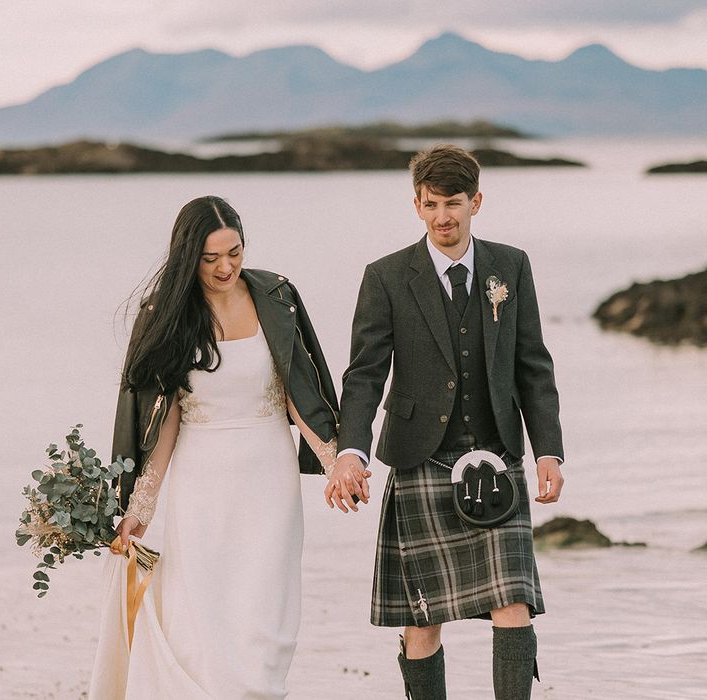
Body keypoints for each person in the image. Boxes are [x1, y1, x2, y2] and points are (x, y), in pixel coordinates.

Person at [325, 145, 565, 699]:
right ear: (416, 205)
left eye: (453, 203)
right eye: (430, 205)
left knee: (513, 599)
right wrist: (349, 452)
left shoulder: (511, 265)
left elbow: (533, 364)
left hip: (498, 457)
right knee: (423, 617)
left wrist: (548, 450)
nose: (443, 217)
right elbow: (364, 375)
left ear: (476, 201)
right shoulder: (385, 277)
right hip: (420, 458)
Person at [89, 195, 346, 699]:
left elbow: (298, 390)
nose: (226, 267)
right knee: (203, 623)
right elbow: (163, 423)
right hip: (202, 487)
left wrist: (337, 462)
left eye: (235, 252)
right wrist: (139, 506)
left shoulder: (276, 295)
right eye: (211, 259)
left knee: (265, 620)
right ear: (189, 258)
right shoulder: (168, 316)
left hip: (270, 481)